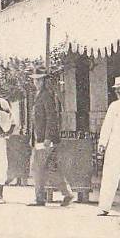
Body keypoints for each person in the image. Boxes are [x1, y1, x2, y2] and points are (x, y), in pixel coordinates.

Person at [27, 66, 74, 207]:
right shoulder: (38, 95)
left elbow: (52, 118)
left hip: (45, 140)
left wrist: (48, 137)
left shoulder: (46, 96)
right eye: (35, 80)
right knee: (49, 168)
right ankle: (67, 194)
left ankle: (40, 198)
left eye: (39, 80)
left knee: (37, 168)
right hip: (39, 139)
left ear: (44, 80)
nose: (36, 82)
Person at [96, 74, 120, 216]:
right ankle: (104, 206)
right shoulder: (114, 106)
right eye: (115, 89)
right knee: (109, 175)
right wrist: (102, 143)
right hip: (115, 144)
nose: (117, 91)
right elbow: (107, 126)